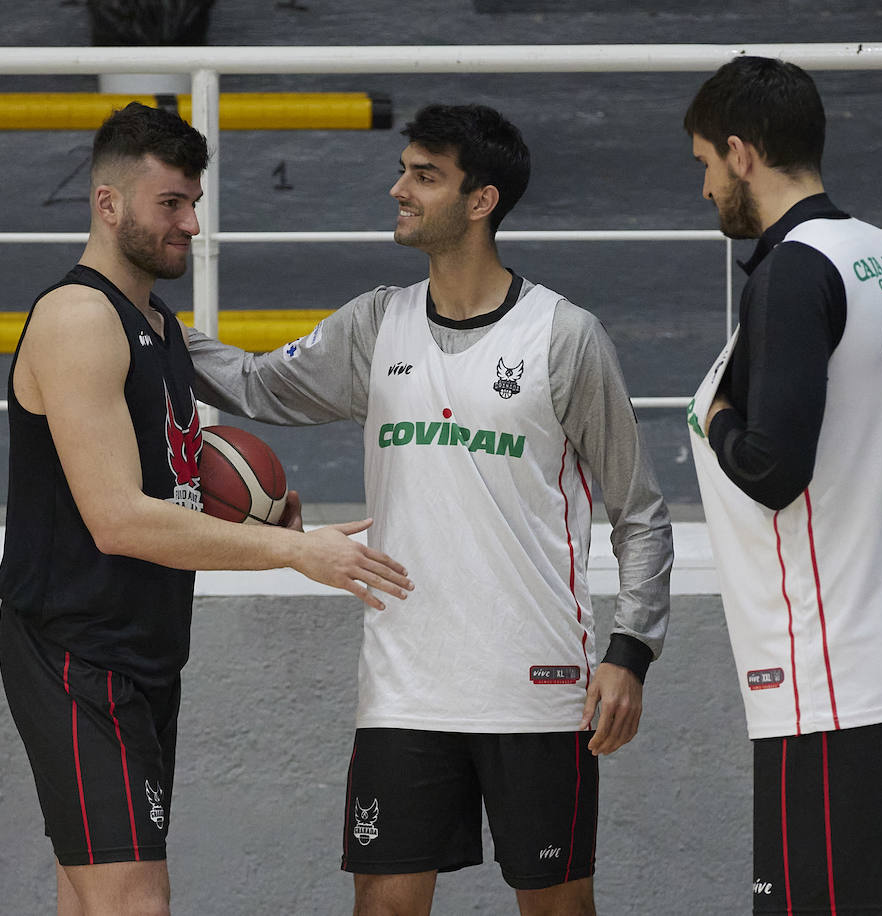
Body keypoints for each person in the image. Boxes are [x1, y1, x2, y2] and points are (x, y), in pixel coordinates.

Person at [187, 103, 673, 916]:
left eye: (424, 176)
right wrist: (147, 325)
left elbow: (641, 513)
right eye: (404, 170)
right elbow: (257, 384)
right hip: (405, 689)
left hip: (538, 685)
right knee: (382, 905)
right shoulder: (378, 323)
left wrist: (631, 650)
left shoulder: (565, 337)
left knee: (558, 908)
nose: (399, 189)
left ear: (480, 201)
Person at [0, 101, 412, 916]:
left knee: (92, 896)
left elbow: (170, 491)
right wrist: (296, 553)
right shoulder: (78, 319)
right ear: (108, 203)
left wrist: (252, 527)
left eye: (193, 202)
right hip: (75, 652)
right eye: (170, 203)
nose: (190, 223)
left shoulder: (159, 326)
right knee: (135, 900)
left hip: (142, 650)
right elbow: (118, 518)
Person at [682, 57, 882, 914]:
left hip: (836, 674)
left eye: (705, 164)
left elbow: (772, 470)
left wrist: (714, 417)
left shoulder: (794, 271)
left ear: (741, 154)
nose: (704, 189)